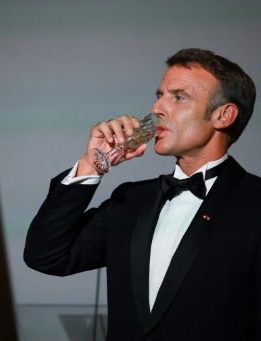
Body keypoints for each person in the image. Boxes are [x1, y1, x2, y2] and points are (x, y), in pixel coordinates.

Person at [24, 48, 260, 339]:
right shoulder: (131, 200)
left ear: (223, 115)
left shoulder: (255, 203)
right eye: (160, 95)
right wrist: (93, 164)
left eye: (178, 97)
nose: (157, 108)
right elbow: (47, 256)